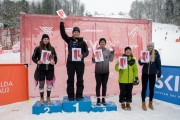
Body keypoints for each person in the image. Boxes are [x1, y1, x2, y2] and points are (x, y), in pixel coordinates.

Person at [60, 21, 89, 101]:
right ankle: (71, 96)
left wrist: (83, 55)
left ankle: (79, 95)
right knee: (70, 79)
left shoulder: (83, 42)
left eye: (77, 32)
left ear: (79, 33)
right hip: (70, 63)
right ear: (72, 33)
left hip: (80, 63)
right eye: (75, 32)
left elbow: (87, 52)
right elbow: (63, 34)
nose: (76, 33)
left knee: (80, 79)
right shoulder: (69, 40)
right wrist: (62, 24)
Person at [32, 34, 57, 104]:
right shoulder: (37, 48)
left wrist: (54, 61)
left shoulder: (52, 48)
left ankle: (48, 97)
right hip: (41, 70)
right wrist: (37, 61)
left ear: (49, 40)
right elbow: (33, 58)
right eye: (44, 39)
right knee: (41, 84)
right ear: (42, 40)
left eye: (47, 39)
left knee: (49, 84)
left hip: (50, 69)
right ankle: (41, 97)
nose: (46, 40)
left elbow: (55, 58)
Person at [138, 42, 161, 111]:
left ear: (153, 47)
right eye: (149, 46)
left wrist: (159, 74)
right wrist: (140, 59)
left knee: (152, 89)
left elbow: (158, 65)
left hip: (152, 74)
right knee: (144, 88)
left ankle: (150, 103)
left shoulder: (156, 54)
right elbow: (141, 64)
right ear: (147, 47)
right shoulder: (145, 53)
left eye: (151, 46)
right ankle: (143, 102)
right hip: (145, 73)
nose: (150, 47)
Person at [92, 38, 115, 106]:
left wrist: (112, 53)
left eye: (104, 42)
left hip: (106, 72)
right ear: (99, 43)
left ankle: (103, 99)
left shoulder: (108, 51)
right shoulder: (96, 51)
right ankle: (98, 99)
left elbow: (111, 60)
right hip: (98, 71)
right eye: (101, 42)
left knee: (104, 85)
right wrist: (93, 58)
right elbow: (93, 61)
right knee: (98, 85)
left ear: (105, 43)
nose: (102, 43)